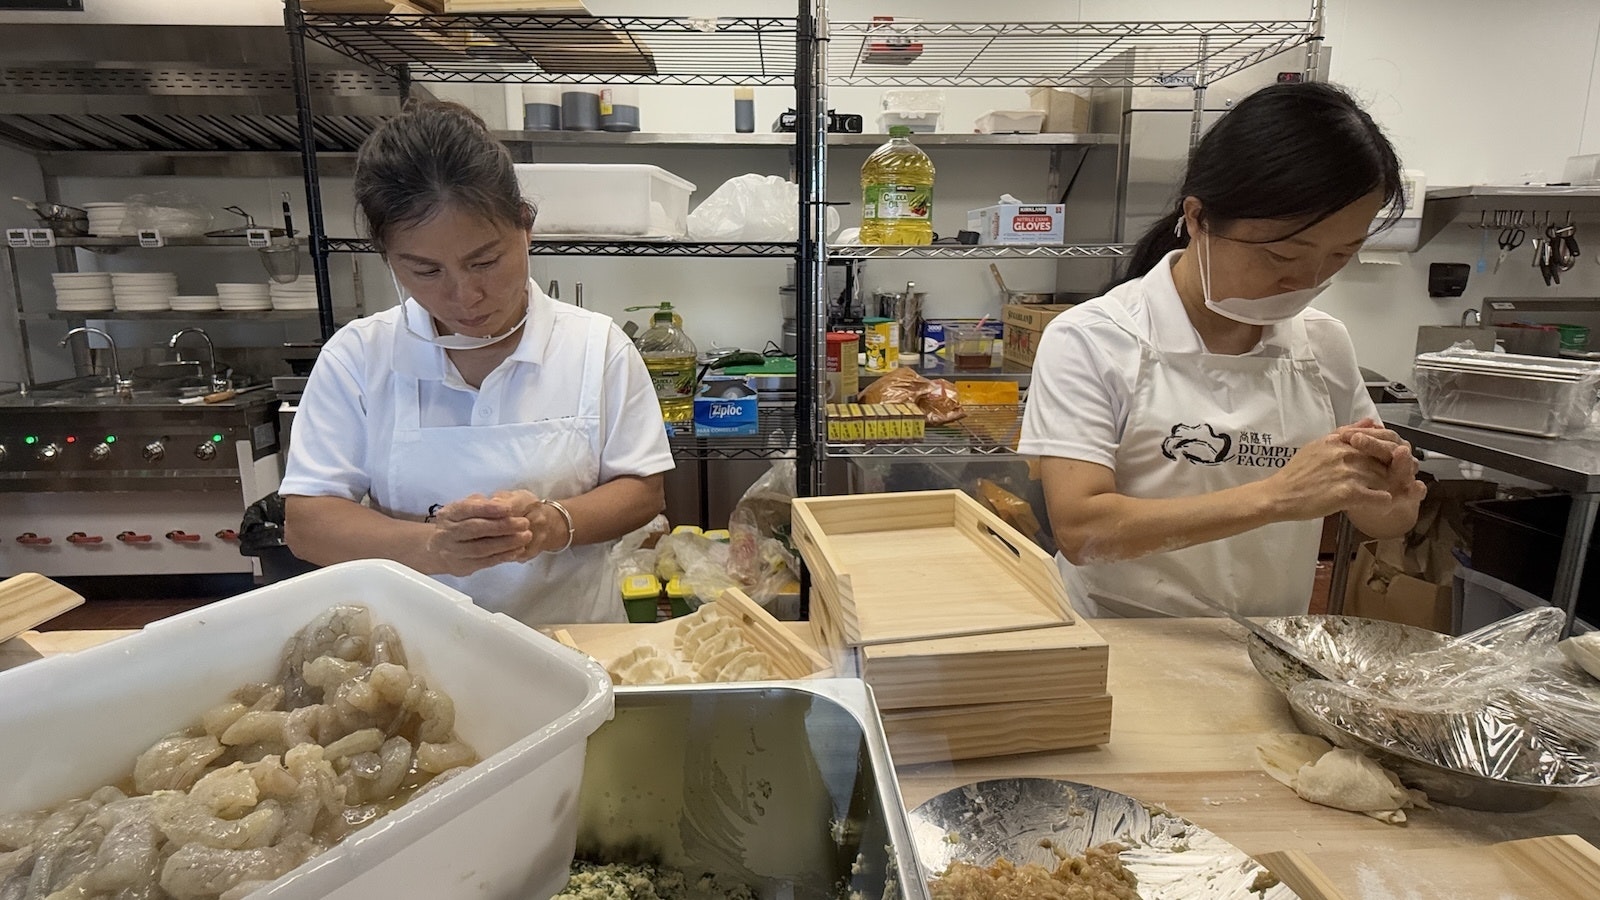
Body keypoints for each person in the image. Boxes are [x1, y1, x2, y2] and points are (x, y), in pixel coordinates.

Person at [1017, 82, 1424, 618]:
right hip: (1121, 645)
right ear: (1198, 219)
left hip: (1268, 644)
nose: (1305, 281)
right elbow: (1084, 530)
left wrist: (1393, 499)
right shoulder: (1094, 337)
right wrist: (1277, 496)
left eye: (1340, 255)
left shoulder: (1323, 343)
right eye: (1282, 256)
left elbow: (1379, 513)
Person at [280, 101, 674, 625]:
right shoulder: (358, 357)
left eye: (484, 261)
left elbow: (642, 490)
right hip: (418, 652)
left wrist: (553, 523)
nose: (464, 295)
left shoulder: (595, 347)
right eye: (424, 270)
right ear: (387, 256)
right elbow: (308, 524)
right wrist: (435, 548)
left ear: (525, 227)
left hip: (575, 642)